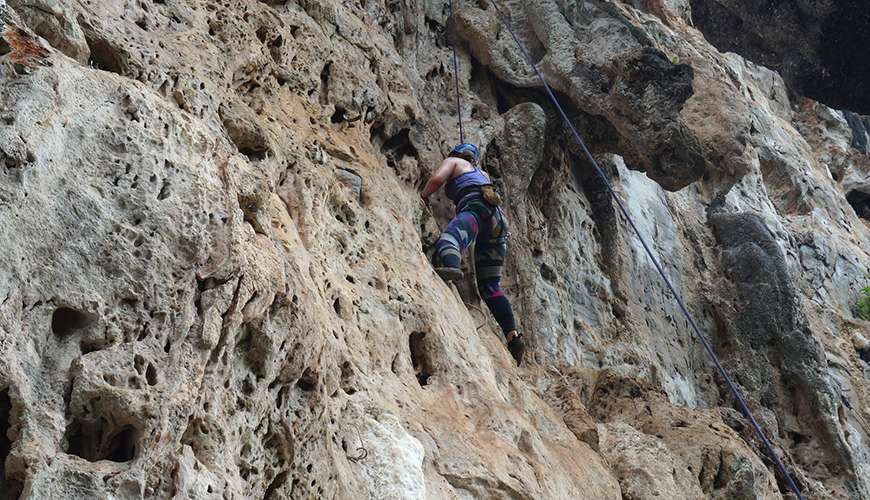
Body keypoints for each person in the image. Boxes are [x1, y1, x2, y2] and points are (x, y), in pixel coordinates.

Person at [420, 143, 525, 365]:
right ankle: (512, 335)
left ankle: (450, 267)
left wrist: (423, 195)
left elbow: (438, 179)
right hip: (498, 220)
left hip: (476, 207)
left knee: (450, 238)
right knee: (490, 286)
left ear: (456, 154)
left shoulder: (455, 162)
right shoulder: (482, 173)